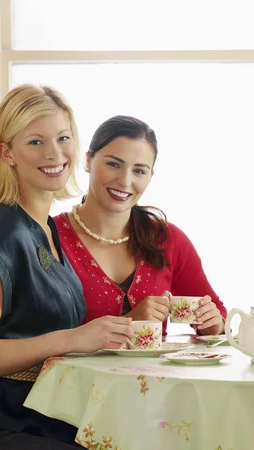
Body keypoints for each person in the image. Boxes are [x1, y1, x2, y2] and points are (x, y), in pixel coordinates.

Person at [0, 85, 134, 450]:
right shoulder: (1, 233)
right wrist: (73, 339)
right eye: (36, 142)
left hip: (38, 421)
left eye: (63, 138)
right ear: (6, 153)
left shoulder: (46, 229)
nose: (55, 153)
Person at [54, 116, 227, 336]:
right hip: (70, 372)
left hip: (158, 372)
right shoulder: (50, 237)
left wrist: (213, 324)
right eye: (114, 164)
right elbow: (39, 334)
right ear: (88, 161)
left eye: (139, 171)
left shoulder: (166, 238)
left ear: (150, 176)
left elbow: (218, 315)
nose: (125, 181)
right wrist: (130, 321)